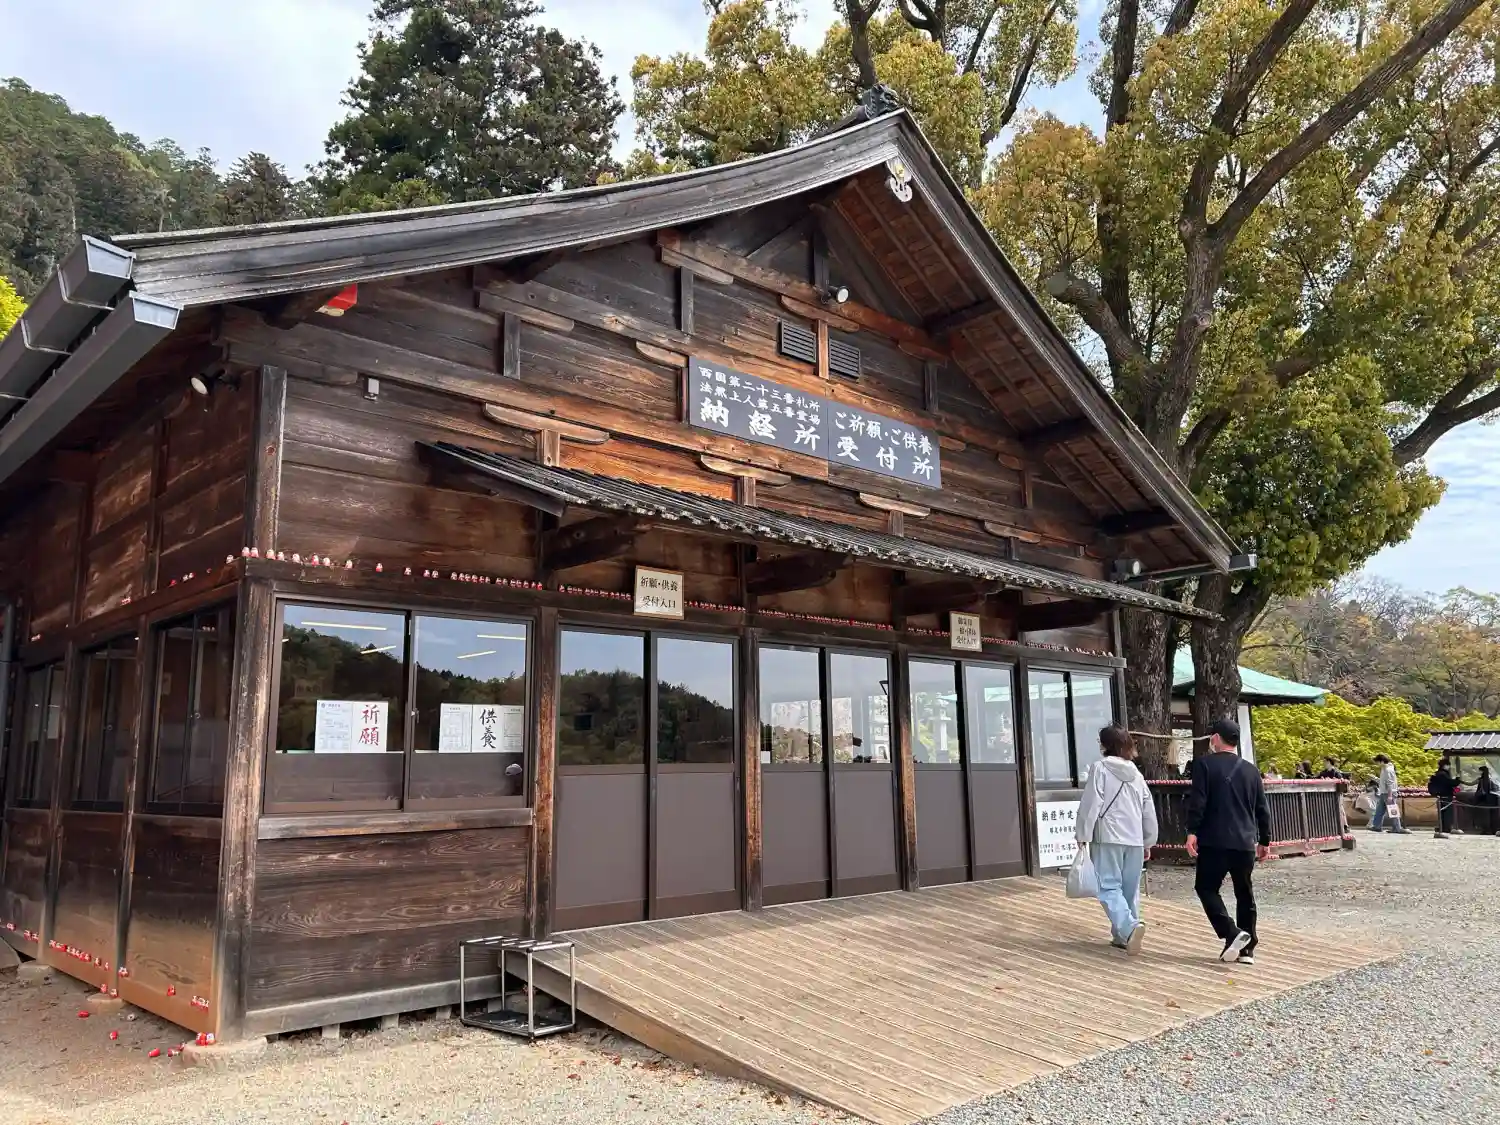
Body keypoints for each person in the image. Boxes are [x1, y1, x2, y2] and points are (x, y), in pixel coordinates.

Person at [1185, 717, 1271, 964]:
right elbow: (1262, 809)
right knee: (1244, 892)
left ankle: (1232, 932)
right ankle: (1247, 949)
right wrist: (1265, 840)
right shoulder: (1251, 770)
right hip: (1244, 841)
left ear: (1215, 738)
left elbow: (1198, 801)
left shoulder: (1204, 765)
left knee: (1206, 888)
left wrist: (1192, 831)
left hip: (1214, 840)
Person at [1074, 725, 1158, 955]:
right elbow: (1148, 809)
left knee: (1108, 886)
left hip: (1108, 836)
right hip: (1135, 838)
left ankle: (1129, 928)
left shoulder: (1100, 768)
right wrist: (1149, 840)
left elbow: (1091, 803)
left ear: (1104, 745)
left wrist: (1083, 834)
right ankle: (1122, 936)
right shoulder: (1136, 774)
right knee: (1130, 889)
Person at [1368, 754, 1411, 834]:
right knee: (1379, 810)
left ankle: (1397, 828)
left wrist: (1390, 796)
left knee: (1392, 810)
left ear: (1381, 761)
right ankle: (1377, 826)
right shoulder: (1384, 769)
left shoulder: (1388, 770)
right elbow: (1383, 782)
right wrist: (1374, 778)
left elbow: (1390, 784)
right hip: (1383, 792)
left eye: (1377, 762)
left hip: (1389, 793)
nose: (1377, 764)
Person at [1427, 760, 1461, 839]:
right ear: (1445, 765)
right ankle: (1446, 828)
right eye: (1448, 765)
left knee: (1442, 812)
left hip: (1440, 796)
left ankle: (1442, 827)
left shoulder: (1438, 773)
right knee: (1447, 813)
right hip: (1446, 795)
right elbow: (1451, 783)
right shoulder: (1443, 774)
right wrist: (1458, 779)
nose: (1449, 767)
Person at [1475, 765, 1499, 835]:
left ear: (1482, 771)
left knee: (1485, 816)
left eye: (1480, 771)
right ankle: (1494, 830)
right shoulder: (1492, 779)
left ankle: (1487, 830)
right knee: (1493, 815)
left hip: (1485, 800)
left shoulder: (1481, 780)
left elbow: (1480, 790)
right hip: (1493, 799)